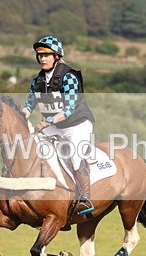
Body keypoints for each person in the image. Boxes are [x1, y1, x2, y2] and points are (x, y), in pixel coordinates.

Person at [22, 35, 95, 215]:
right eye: (40, 55)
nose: (43, 59)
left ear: (57, 56)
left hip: (77, 124)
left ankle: (85, 198)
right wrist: (21, 115)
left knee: (75, 155)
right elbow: (30, 104)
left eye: (47, 55)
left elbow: (70, 108)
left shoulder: (68, 77)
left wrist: (47, 122)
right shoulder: (37, 81)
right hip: (54, 125)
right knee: (33, 147)